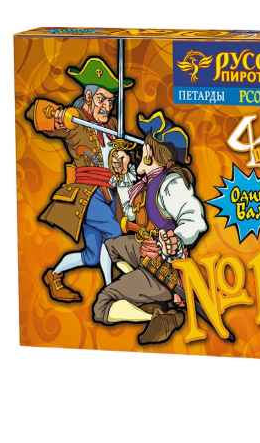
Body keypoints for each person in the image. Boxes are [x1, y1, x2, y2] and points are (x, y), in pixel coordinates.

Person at [93, 110, 208, 344]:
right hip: (145, 250)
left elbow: (195, 219)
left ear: (151, 154)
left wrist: (175, 240)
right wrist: (122, 178)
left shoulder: (171, 184)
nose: (140, 151)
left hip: (166, 268)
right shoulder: (147, 183)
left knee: (101, 306)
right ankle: (152, 303)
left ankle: (162, 315)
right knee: (111, 247)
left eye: (145, 147)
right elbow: (131, 213)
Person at [25, 57, 134, 303]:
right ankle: (113, 291)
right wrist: (57, 115)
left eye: (111, 100)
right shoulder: (75, 120)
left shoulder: (113, 125)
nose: (107, 106)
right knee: (116, 235)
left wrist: (123, 158)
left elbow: (120, 156)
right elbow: (35, 114)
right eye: (101, 99)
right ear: (88, 97)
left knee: (93, 255)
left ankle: (54, 275)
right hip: (87, 195)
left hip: (109, 195)